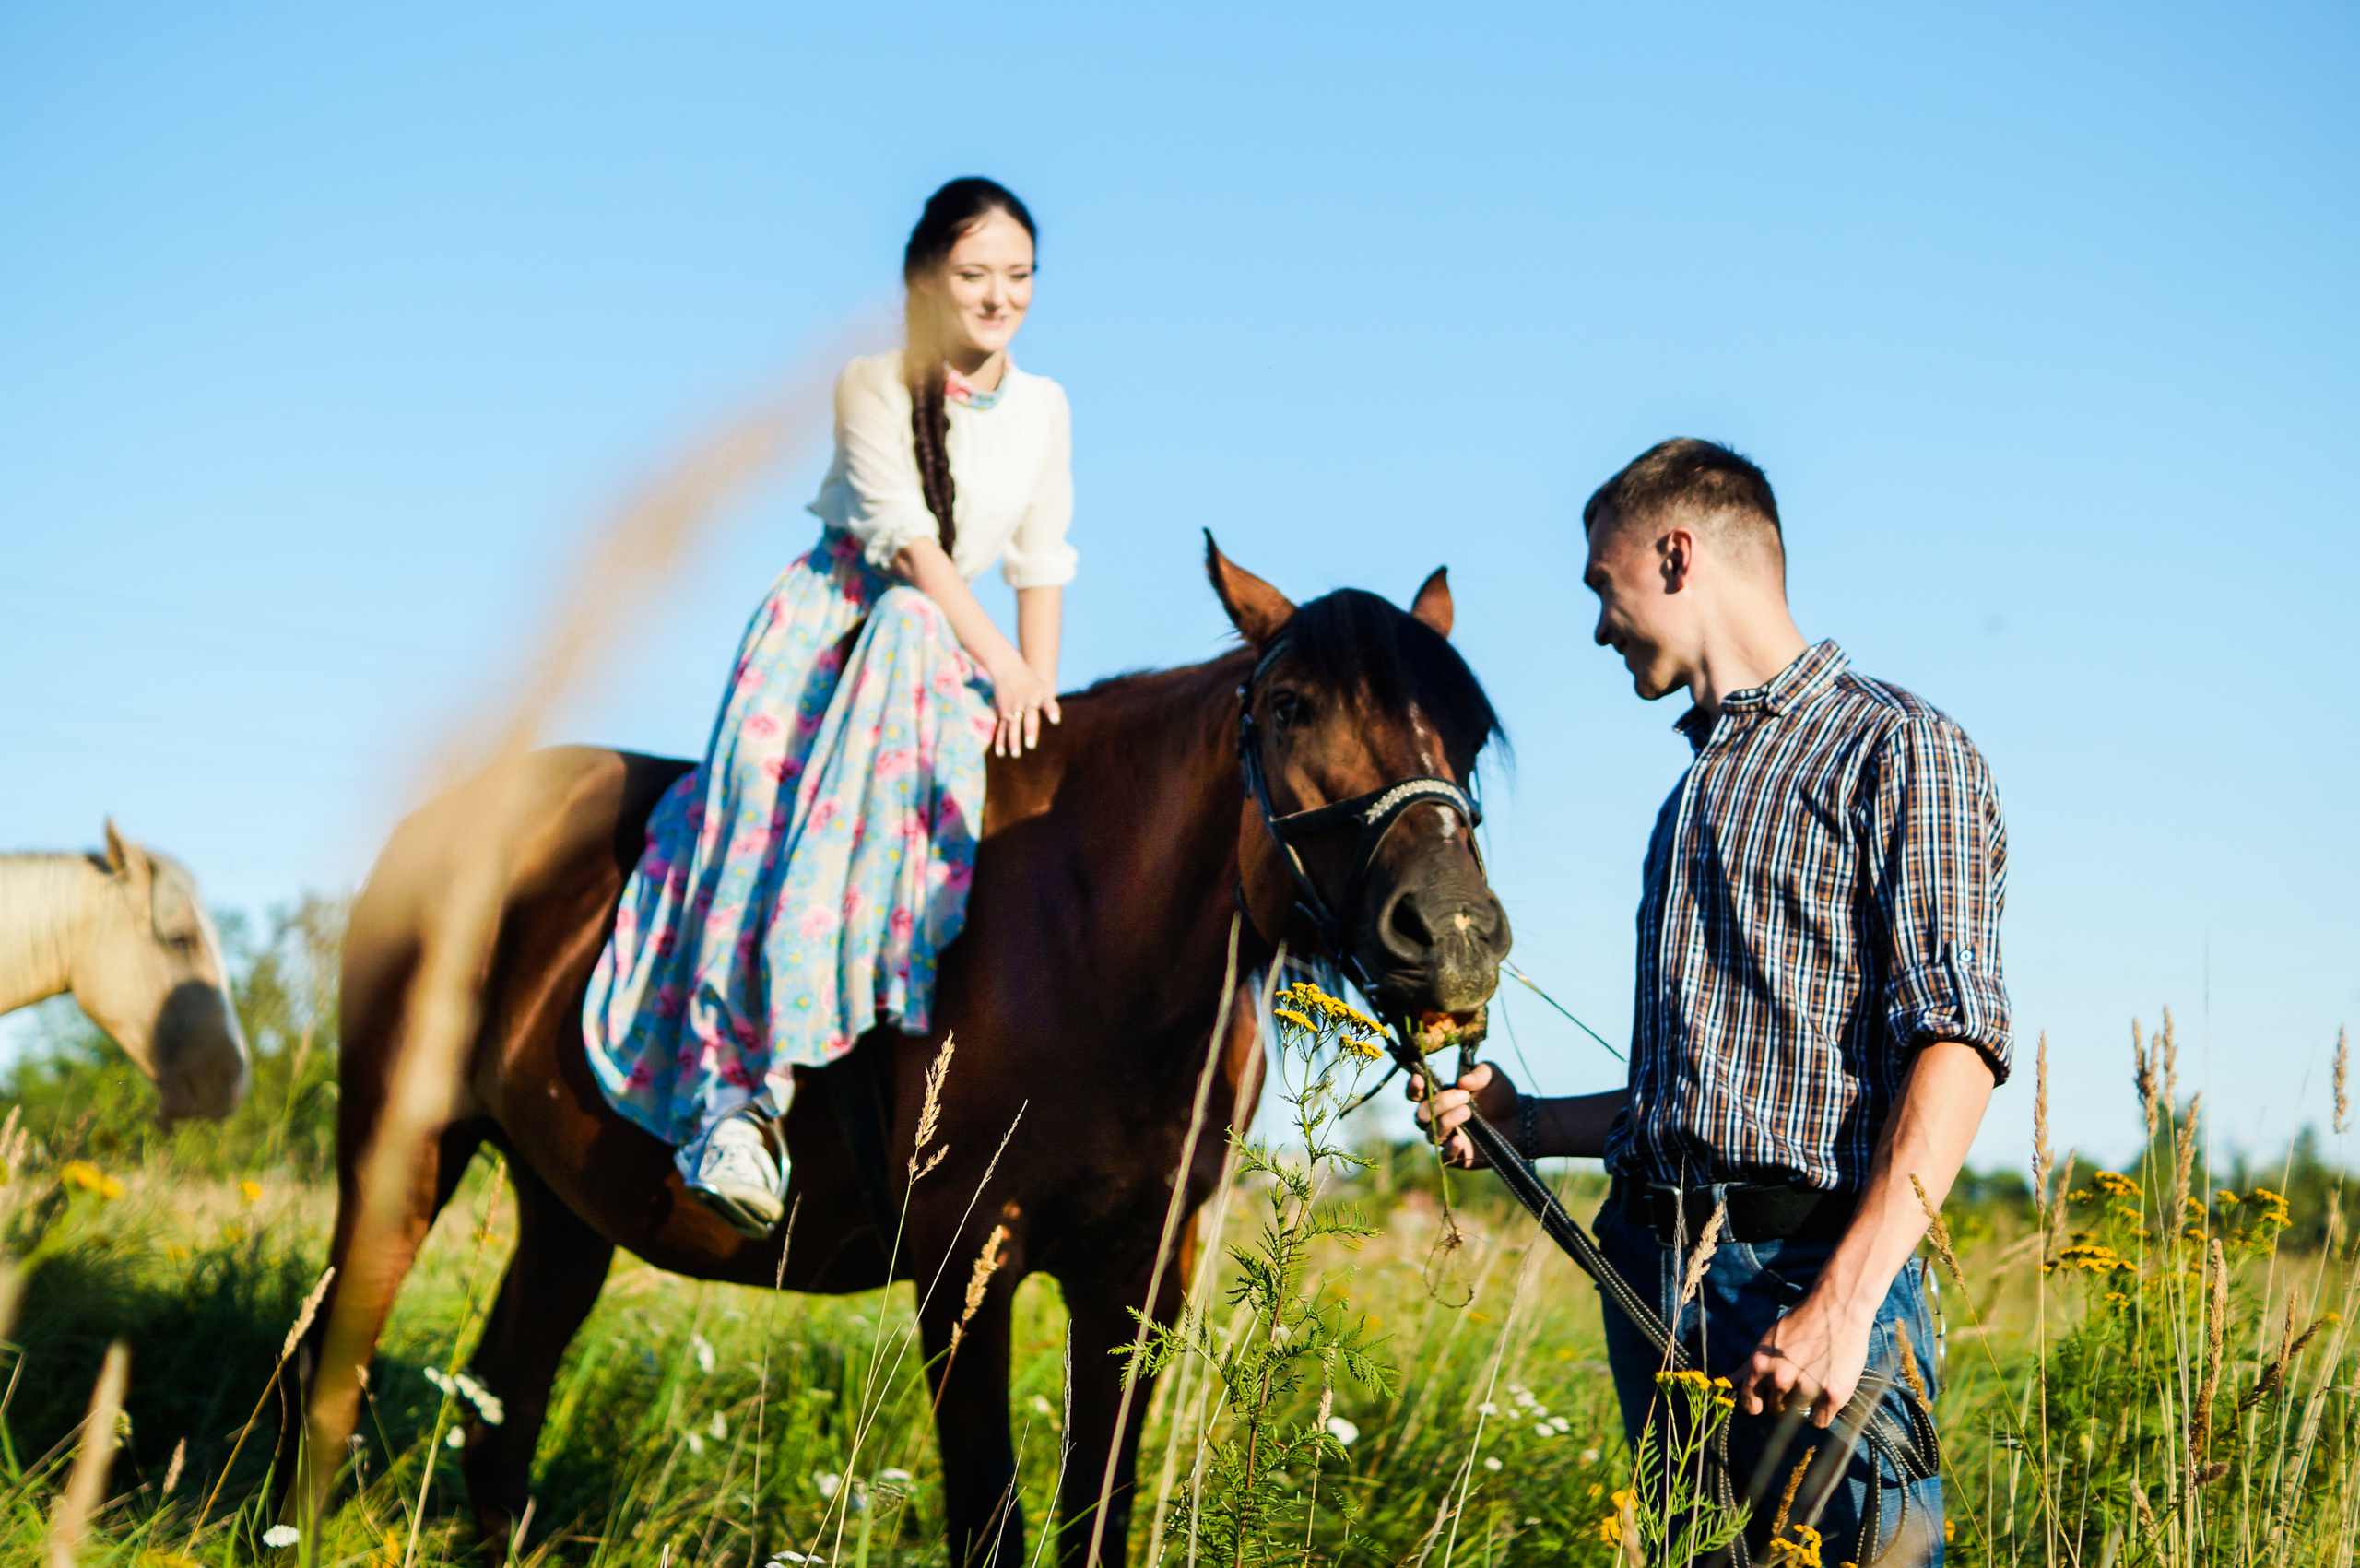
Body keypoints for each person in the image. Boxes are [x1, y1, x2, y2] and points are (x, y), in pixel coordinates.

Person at [1415, 439, 2006, 1563]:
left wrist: (1840, 1308)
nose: (1599, 626)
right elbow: (1694, 1096)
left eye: (1605, 585)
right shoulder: (1688, 799)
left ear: (1676, 554)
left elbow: (1957, 1048)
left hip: (1807, 1280)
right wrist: (1526, 1122)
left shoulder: (1895, 750)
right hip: (1649, 1269)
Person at [583, 177, 1075, 1238]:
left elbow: (1041, 563)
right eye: (975, 275)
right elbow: (911, 548)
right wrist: (1002, 663)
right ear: (928, 282)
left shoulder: (1044, 408)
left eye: (1019, 277)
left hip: (944, 651)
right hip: (841, 627)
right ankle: (737, 1102)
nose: (999, 298)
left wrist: (1036, 686)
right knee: (757, 818)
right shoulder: (870, 383)